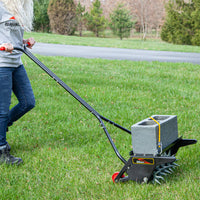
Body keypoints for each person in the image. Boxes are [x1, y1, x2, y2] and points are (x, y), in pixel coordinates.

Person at [0, 0, 36, 165]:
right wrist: (1, 45)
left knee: (28, 102)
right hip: (2, 64)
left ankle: (3, 126)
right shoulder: (1, 7)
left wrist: (25, 42)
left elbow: (13, 38)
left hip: (16, 63)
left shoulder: (21, 10)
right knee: (2, 110)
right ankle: (1, 150)